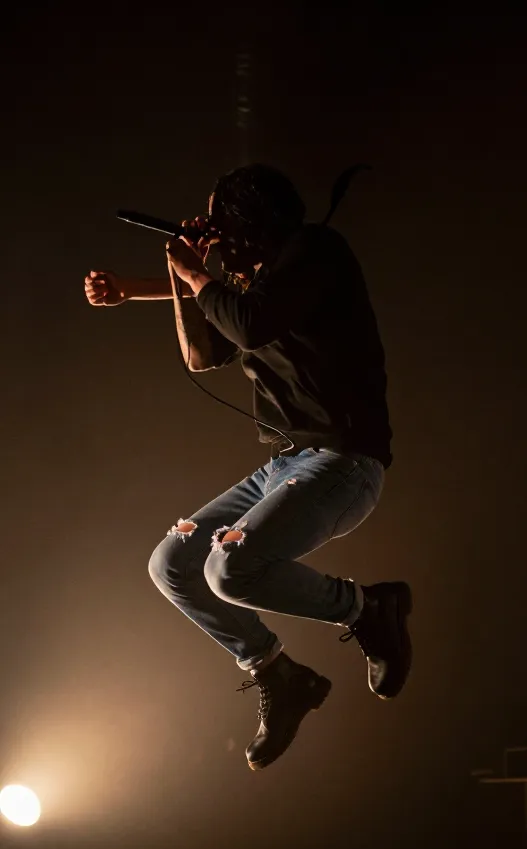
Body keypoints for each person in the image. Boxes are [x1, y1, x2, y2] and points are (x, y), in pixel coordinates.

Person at [84, 164, 412, 771]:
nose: (214, 236)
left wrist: (193, 270)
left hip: (345, 460)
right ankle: (278, 674)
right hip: (286, 464)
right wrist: (174, 279)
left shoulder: (315, 252)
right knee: (174, 564)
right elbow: (204, 354)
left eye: (217, 222)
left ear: (247, 221)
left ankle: (370, 610)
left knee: (230, 568)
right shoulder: (254, 287)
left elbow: (251, 321)